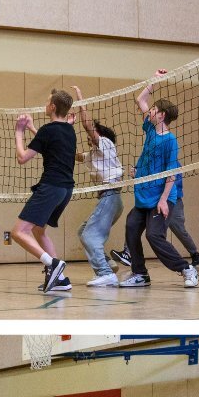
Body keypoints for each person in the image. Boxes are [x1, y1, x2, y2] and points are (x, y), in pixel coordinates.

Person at [120, 74, 196, 289]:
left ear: (161, 115)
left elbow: (172, 172)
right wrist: (154, 79)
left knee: (154, 235)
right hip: (144, 195)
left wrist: (164, 200)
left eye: (153, 110)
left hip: (161, 197)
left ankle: (186, 269)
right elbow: (140, 100)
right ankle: (140, 274)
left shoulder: (170, 141)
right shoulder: (151, 130)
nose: (149, 111)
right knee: (132, 227)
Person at [11, 87, 77, 294]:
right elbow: (51, 142)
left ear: (52, 106)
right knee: (38, 230)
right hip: (65, 191)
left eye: (47, 101)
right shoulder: (69, 129)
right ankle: (61, 280)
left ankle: (53, 264)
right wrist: (33, 128)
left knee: (18, 232)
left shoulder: (48, 131)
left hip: (51, 186)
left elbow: (22, 158)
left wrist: (19, 132)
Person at [75, 101, 125, 286]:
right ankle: (109, 264)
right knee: (83, 231)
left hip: (111, 196)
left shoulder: (105, 143)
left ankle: (104, 273)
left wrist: (80, 101)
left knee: (89, 235)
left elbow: (88, 126)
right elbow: (75, 155)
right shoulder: (94, 154)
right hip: (111, 199)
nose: (89, 135)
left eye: (93, 132)